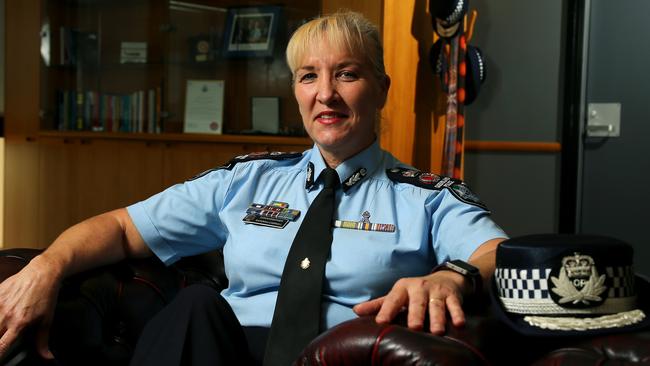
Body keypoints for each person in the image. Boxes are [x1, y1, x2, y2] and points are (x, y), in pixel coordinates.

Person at [0, 11, 507, 366]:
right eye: (309, 77)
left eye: (346, 75)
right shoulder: (246, 180)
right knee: (198, 305)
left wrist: (452, 276)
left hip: (341, 356)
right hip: (220, 353)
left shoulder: (427, 196)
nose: (325, 94)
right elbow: (119, 227)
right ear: (296, 92)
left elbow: (497, 251)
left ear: (380, 89)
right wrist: (47, 266)